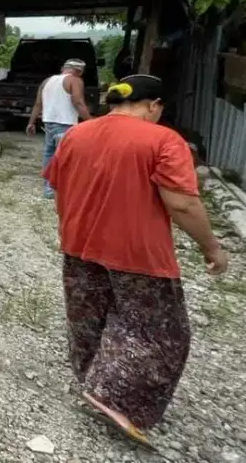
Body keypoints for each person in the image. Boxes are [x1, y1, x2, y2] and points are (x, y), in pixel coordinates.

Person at [44, 74, 228, 444]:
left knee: (88, 318)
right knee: (159, 331)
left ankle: (92, 379)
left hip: (78, 245)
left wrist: (70, 232)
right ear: (153, 105)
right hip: (137, 253)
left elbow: (60, 188)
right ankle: (116, 396)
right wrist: (211, 246)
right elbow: (181, 203)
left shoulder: (76, 135)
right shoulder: (163, 139)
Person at [27, 59, 92, 197]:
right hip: (65, 124)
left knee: (49, 155)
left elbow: (38, 104)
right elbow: (78, 102)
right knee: (65, 158)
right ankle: (62, 190)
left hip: (48, 123)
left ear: (64, 68)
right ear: (79, 71)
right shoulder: (75, 80)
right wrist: (91, 122)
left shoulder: (47, 81)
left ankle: (49, 189)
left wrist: (31, 122)